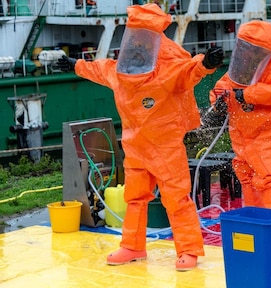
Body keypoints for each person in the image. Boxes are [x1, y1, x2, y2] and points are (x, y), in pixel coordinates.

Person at [60, 4, 224, 270]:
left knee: (176, 198)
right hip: (136, 148)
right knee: (134, 198)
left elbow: (187, 73)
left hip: (165, 147)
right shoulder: (118, 72)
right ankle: (132, 246)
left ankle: (189, 250)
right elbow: (96, 69)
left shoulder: (165, 72)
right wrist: (74, 64)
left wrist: (206, 64)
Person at [209, 20, 271, 210]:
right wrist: (218, 101)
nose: (249, 52)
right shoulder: (244, 60)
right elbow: (226, 84)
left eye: (254, 49)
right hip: (242, 128)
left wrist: (246, 95)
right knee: (246, 176)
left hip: (268, 130)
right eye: (246, 48)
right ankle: (254, 221)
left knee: (267, 177)